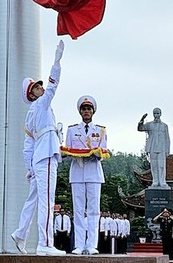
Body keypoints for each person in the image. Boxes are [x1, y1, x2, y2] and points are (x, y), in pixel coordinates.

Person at [11, 40, 67, 256]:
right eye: (37, 87)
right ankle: (44, 244)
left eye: (39, 85)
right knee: (47, 200)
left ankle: (20, 233)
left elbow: (27, 146)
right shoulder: (41, 104)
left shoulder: (32, 113)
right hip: (46, 157)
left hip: (38, 159)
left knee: (33, 198)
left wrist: (30, 169)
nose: (42, 88)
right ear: (32, 94)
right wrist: (57, 61)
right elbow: (54, 85)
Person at [63, 95, 109, 255]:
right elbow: (67, 149)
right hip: (77, 172)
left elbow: (103, 151)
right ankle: (78, 245)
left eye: (89, 109)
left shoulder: (101, 130)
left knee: (93, 211)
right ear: (80, 112)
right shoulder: (72, 130)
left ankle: (92, 245)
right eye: (84, 109)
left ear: (93, 111)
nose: (86, 111)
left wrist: (95, 154)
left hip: (94, 173)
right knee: (78, 210)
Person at [138, 108, 170, 188]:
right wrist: (142, 119)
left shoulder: (164, 126)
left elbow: (167, 138)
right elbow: (140, 128)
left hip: (161, 148)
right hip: (152, 147)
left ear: (160, 114)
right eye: (155, 113)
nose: (156, 115)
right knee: (154, 166)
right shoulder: (149, 124)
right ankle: (155, 181)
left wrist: (167, 150)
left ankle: (162, 181)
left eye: (158, 113)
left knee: (161, 166)